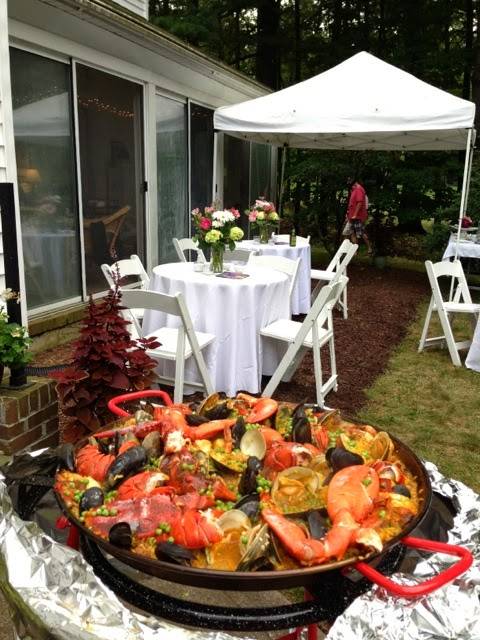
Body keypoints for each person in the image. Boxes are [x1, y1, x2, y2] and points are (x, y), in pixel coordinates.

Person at [345, 177, 372, 255]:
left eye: (351, 184)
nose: (350, 186)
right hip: (351, 216)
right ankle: (355, 250)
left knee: (361, 233)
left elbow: (359, 202)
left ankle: (369, 248)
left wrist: (355, 214)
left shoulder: (359, 189)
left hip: (358, 217)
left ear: (355, 183)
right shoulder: (354, 190)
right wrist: (348, 214)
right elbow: (351, 204)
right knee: (352, 233)